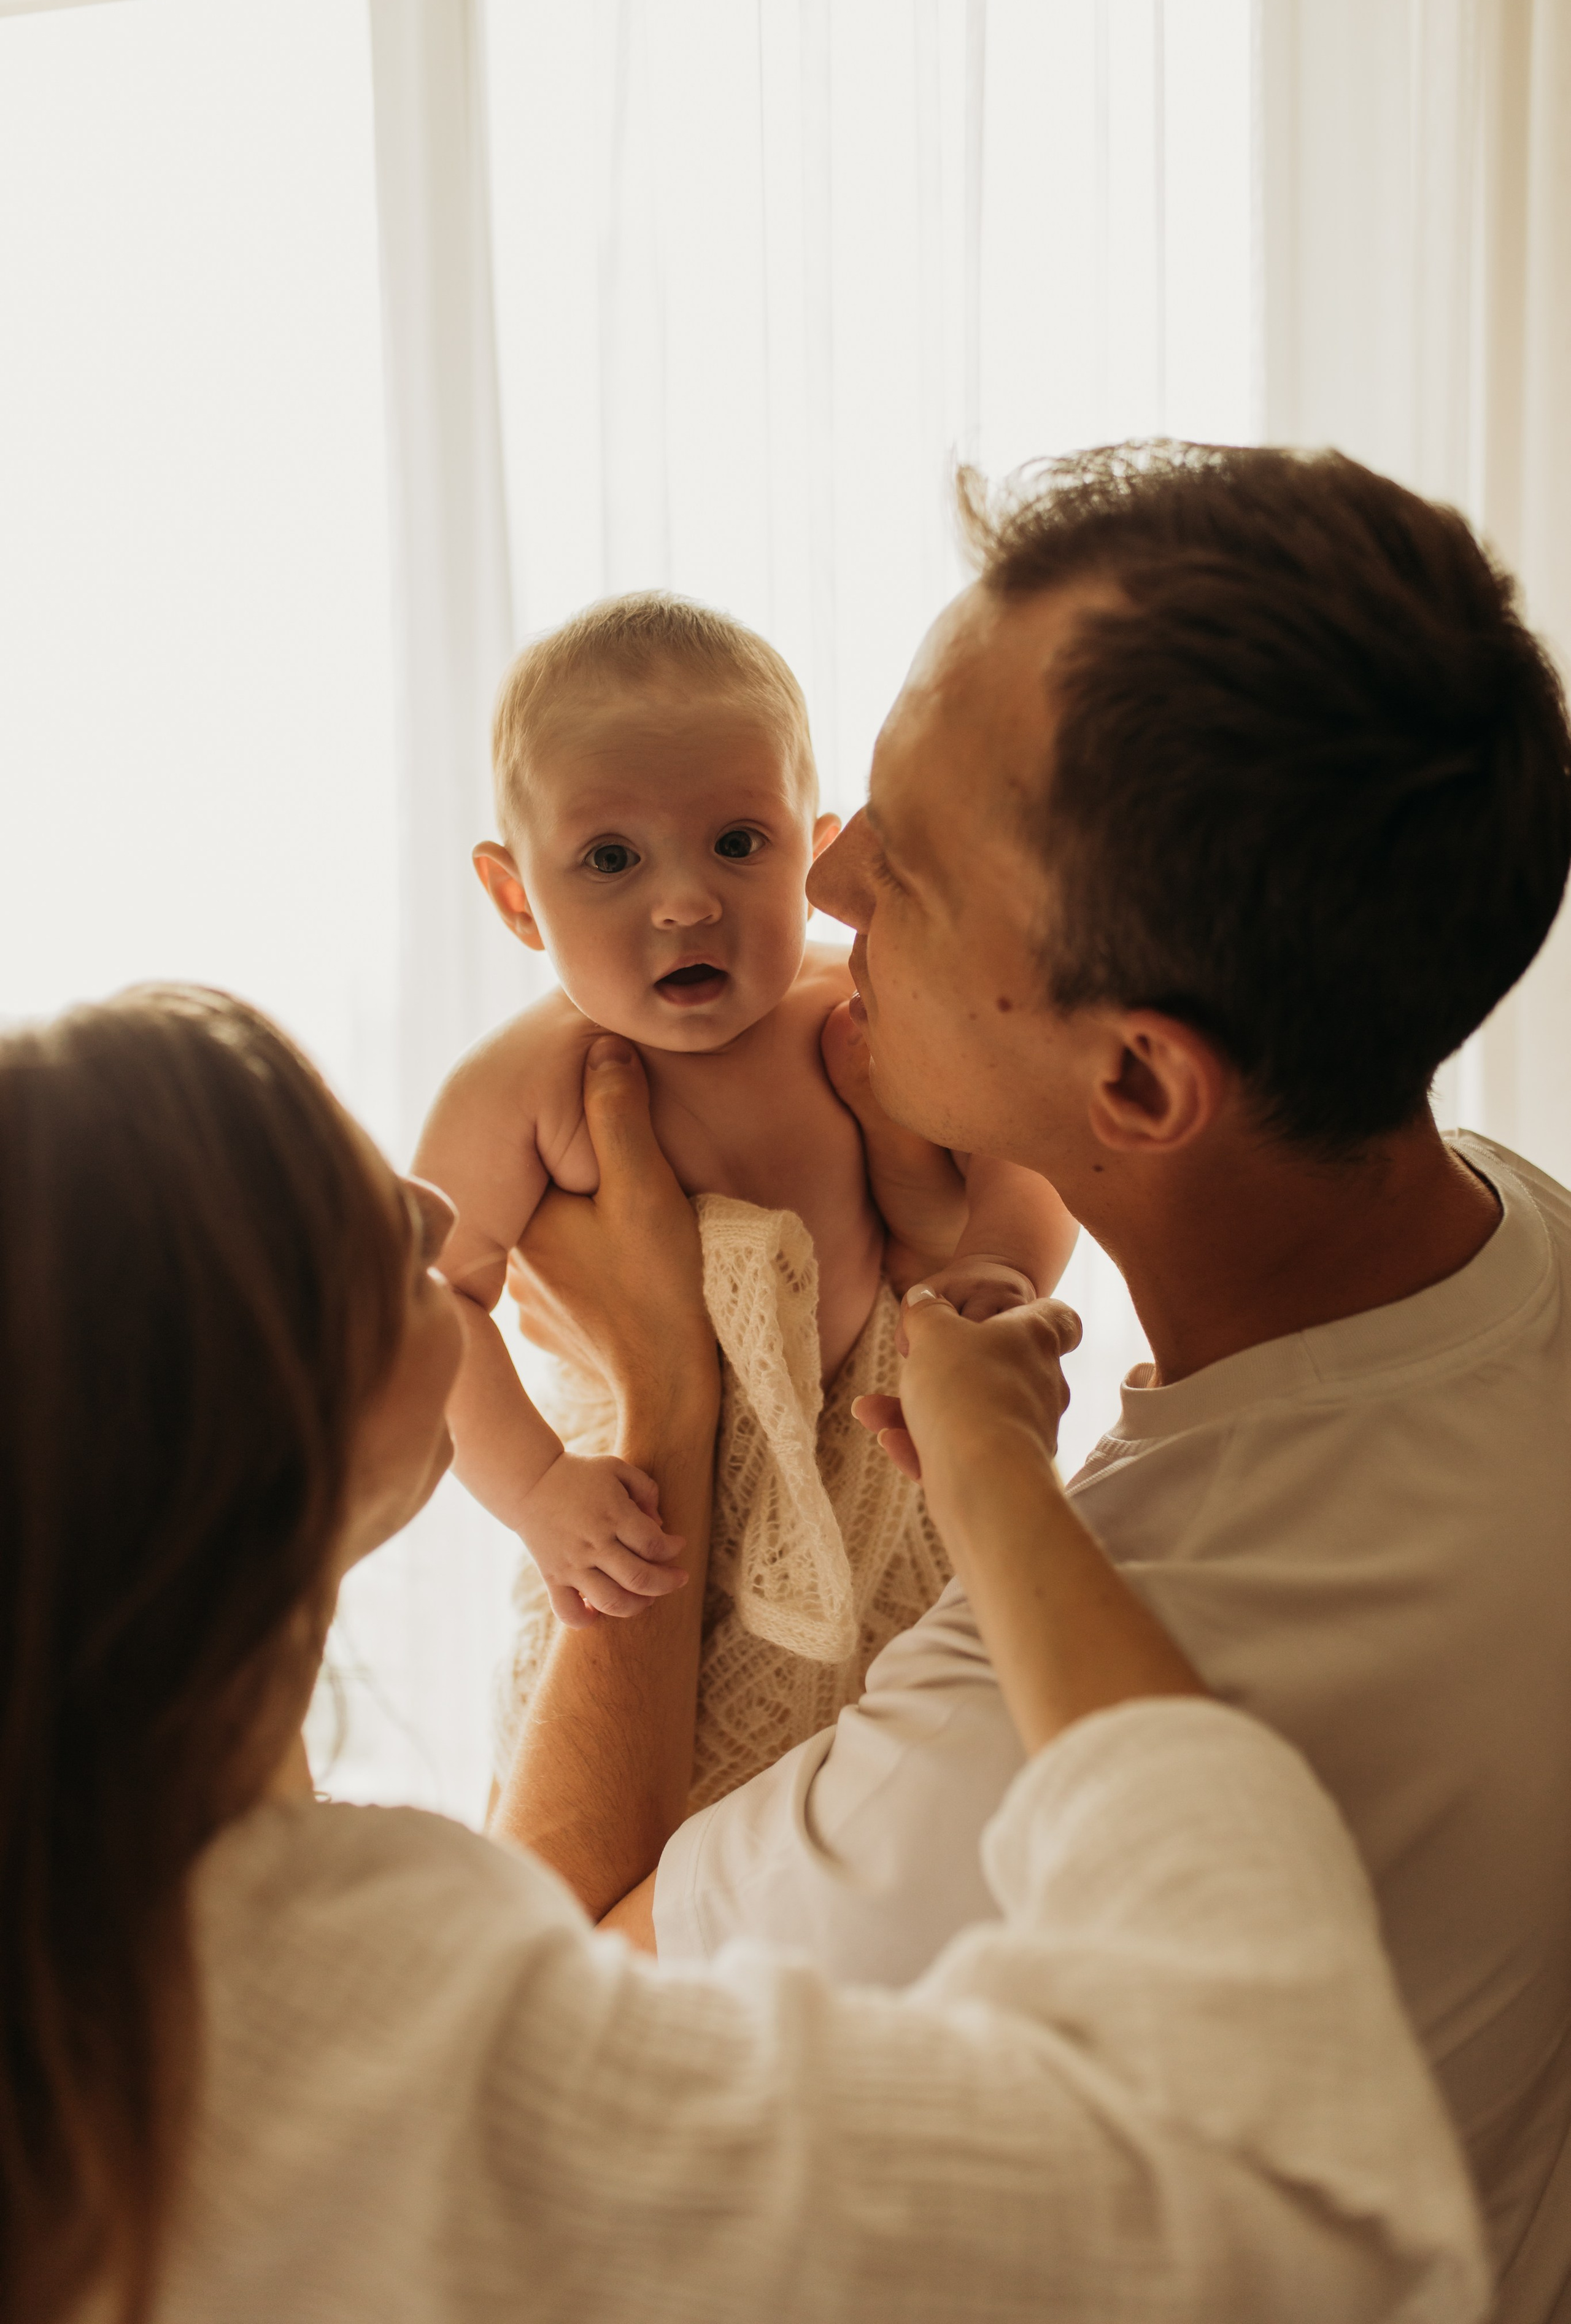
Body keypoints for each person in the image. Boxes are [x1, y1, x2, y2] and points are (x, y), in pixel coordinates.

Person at [497, 444, 1571, 2318]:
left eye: (894, 866)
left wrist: (666, 1388)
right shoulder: (1529, 1240)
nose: (820, 881)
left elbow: (521, 2037)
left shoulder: (1021, 1751)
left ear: (1138, 1088)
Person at [0, 984, 1487, 2324]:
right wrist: (989, 1481)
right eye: (334, 1205)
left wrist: (671, 1391)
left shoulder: (123, 1968)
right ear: (224, 1424)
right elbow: (1313, 2225)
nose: (415, 1198)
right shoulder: (369, 2051)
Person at [415, 592, 1073, 1809]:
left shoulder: (856, 1009)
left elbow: (1026, 1151)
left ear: (812, 849)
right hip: (654, 1554)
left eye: (736, 842)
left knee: (929, 1799)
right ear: (516, 900)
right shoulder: (527, 1083)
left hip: (888, 1514)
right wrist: (536, 1492)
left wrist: (999, 1270)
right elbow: (430, 1297)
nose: (684, 901)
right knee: (650, 1854)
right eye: (610, 859)